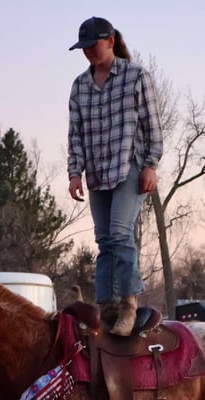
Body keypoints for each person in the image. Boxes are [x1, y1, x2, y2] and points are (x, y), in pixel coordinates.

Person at [67, 16, 163, 336]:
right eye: (83, 48)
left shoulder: (136, 76)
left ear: (110, 41)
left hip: (128, 166)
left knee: (121, 234)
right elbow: (75, 134)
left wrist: (151, 165)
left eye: (92, 45)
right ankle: (106, 306)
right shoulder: (80, 86)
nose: (88, 52)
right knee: (104, 239)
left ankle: (129, 305)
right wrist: (74, 173)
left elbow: (152, 126)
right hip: (97, 172)